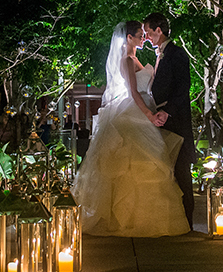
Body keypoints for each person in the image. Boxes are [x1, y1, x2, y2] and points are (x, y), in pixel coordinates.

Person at [71, 21, 190, 237]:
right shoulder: (126, 60)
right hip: (136, 111)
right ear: (128, 38)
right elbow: (133, 92)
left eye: (144, 34)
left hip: (146, 108)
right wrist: (148, 115)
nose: (143, 37)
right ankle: (127, 217)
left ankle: (149, 217)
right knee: (132, 164)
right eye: (139, 34)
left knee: (150, 163)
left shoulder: (137, 58)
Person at [143, 12, 196, 229]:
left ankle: (188, 223)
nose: (146, 37)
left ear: (159, 30)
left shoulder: (176, 54)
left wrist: (169, 112)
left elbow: (183, 88)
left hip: (176, 121)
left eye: (148, 32)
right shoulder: (160, 55)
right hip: (162, 121)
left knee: (182, 172)